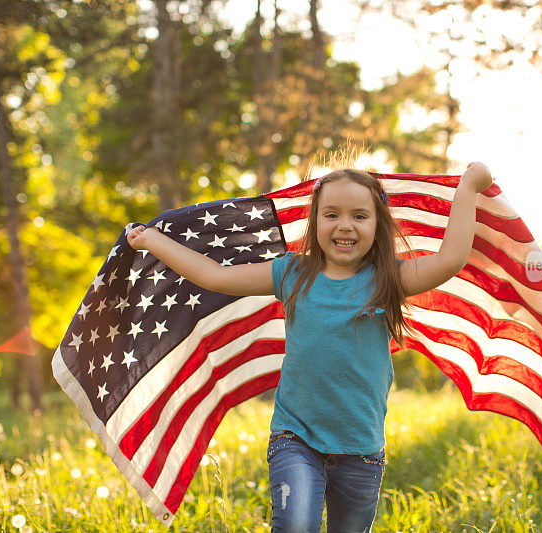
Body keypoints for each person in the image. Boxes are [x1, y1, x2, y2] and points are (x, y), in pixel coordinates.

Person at [127, 162, 493, 532]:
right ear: (315, 221)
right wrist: (153, 241)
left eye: (359, 216)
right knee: (296, 524)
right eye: (331, 214)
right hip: (296, 438)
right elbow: (216, 276)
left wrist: (468, 187)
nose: (345, 225)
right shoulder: (292, 273)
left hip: (361, 451)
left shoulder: (387, 278)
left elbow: (450, 260)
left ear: (377, 224)